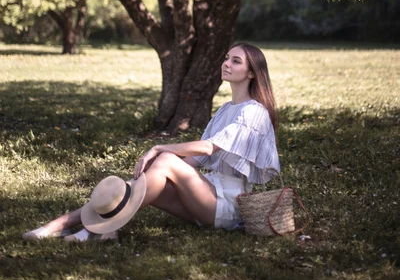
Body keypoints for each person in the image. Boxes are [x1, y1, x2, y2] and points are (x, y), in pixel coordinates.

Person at [23, 42, 280, 242]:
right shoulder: (226, 110)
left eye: (236, 61)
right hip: (206, 196)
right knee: (139, 185)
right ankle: (58, 225)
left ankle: (97, 230)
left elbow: (209, 148)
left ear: (251, 74)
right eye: (226, 58)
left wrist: (160, 149)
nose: (226, 64)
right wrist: (157, 171)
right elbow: (197, 161)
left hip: (227, 206)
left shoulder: (254, 111)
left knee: (165, 160)